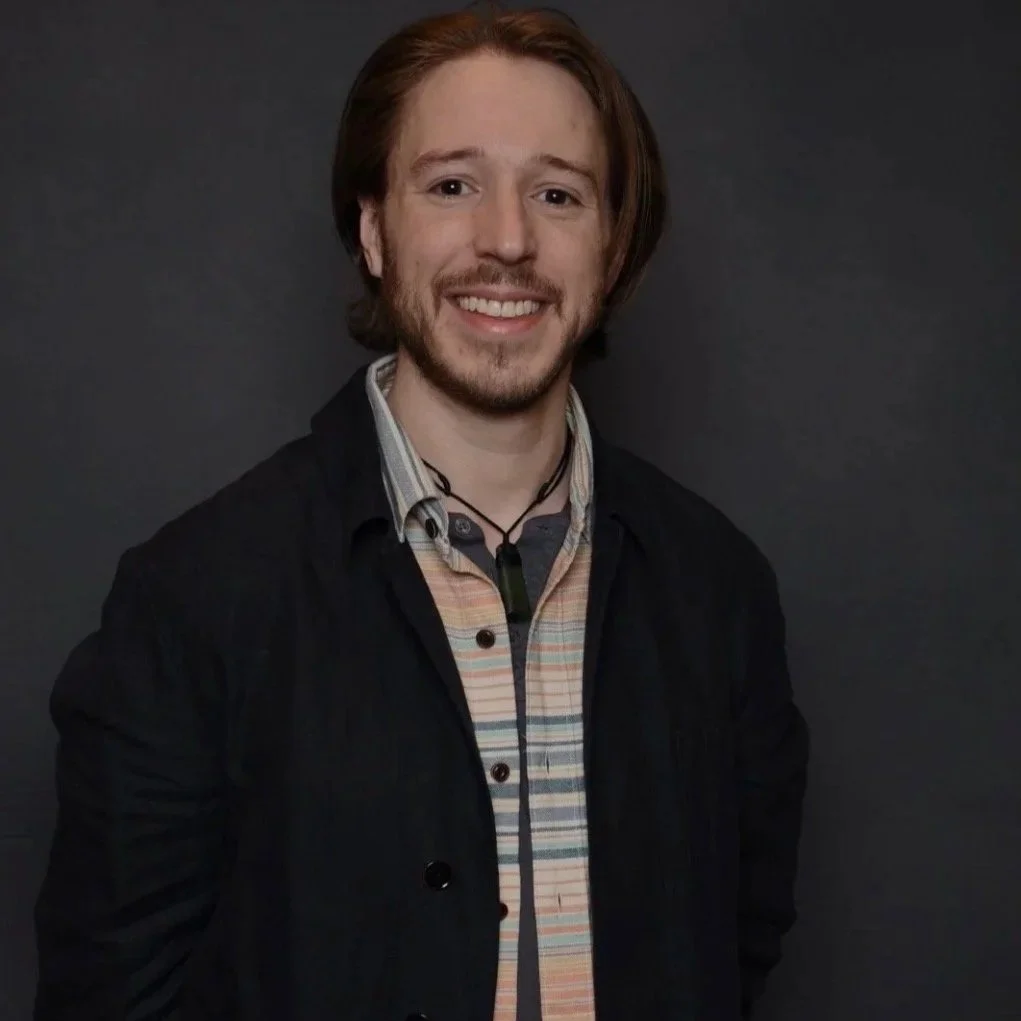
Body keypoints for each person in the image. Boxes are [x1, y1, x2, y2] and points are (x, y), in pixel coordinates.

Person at [33, 6, 810, 1020]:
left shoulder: (719, 589)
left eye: (557, 193)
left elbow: (734, 944)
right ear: (371, 228)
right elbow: (112, 993)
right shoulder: (194, 597)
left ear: (612, 247)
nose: (507, 240)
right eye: (451, 185)